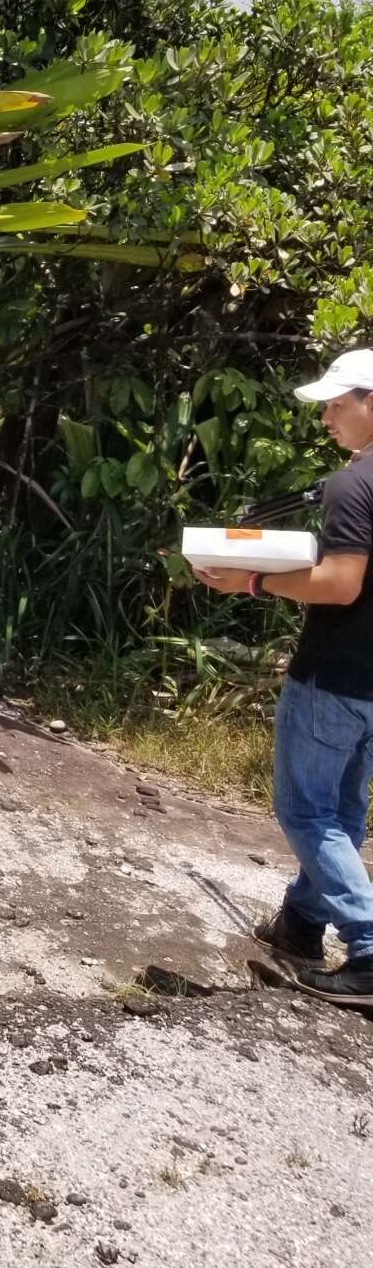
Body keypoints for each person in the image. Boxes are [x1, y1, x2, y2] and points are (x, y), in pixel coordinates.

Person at [194, 348, 373, 1004]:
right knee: (342, 810)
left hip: (333, 677)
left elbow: (339, 583)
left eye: (336, 404)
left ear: (371, 404)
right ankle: (301, 924)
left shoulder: (356, 486)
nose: (326, 417)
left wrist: (252, 581)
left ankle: (370, 943)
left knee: (303, 809)